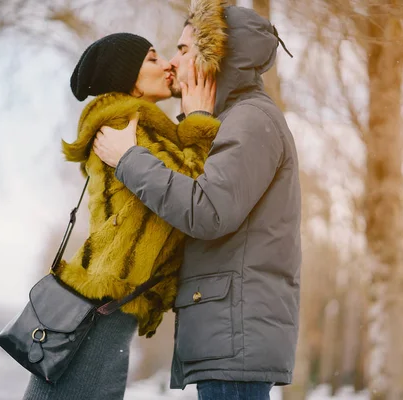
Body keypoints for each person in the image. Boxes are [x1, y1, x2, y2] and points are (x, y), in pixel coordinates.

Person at [93, 2, 302, 400]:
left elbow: (207, 212)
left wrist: (128, 160)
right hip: (226, 334)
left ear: (214, 60)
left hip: (234, 338)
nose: (172, 61)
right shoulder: (232, 119)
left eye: (184, 50)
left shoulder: (252, 119)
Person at [22, 31, 224, 400]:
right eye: (151, 59)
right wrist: (198, 122)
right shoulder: (126, 125)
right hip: (107, 298)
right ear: (127, 79)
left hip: (107, 297)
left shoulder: (134, 125)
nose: (166, 65)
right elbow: (194, 189)